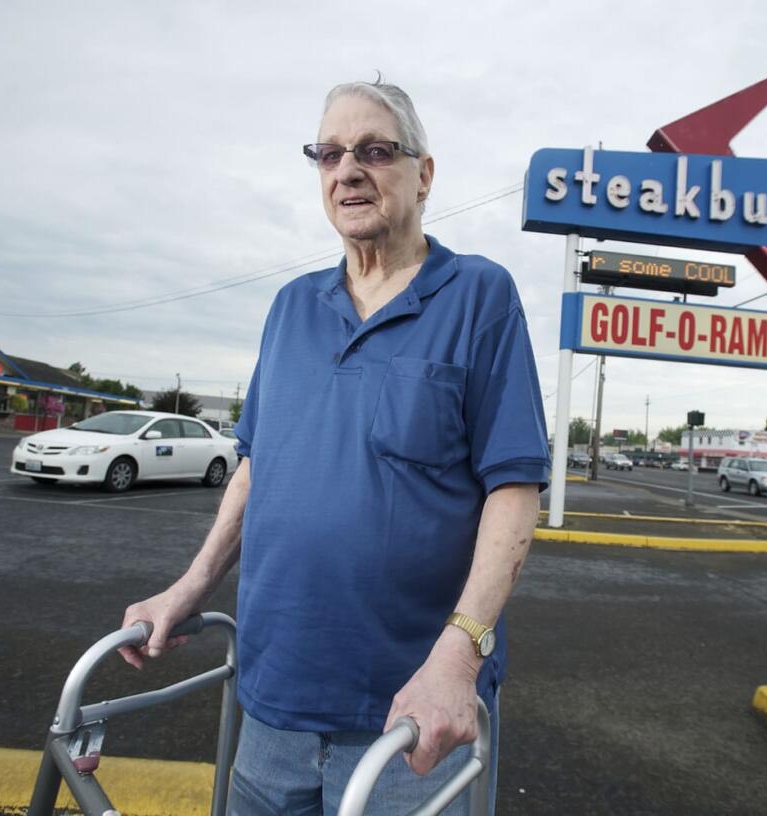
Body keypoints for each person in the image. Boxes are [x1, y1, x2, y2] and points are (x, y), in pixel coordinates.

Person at [119, 77, 550, 815]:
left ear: (424, 174)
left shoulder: (480, 296)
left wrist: (459, 656)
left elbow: (514, 491)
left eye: (375, 150)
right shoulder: (291, 308)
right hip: (273, 703)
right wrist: (188, 588)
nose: (347, 169)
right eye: (328, 153)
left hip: (409, 720)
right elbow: (257, 471)